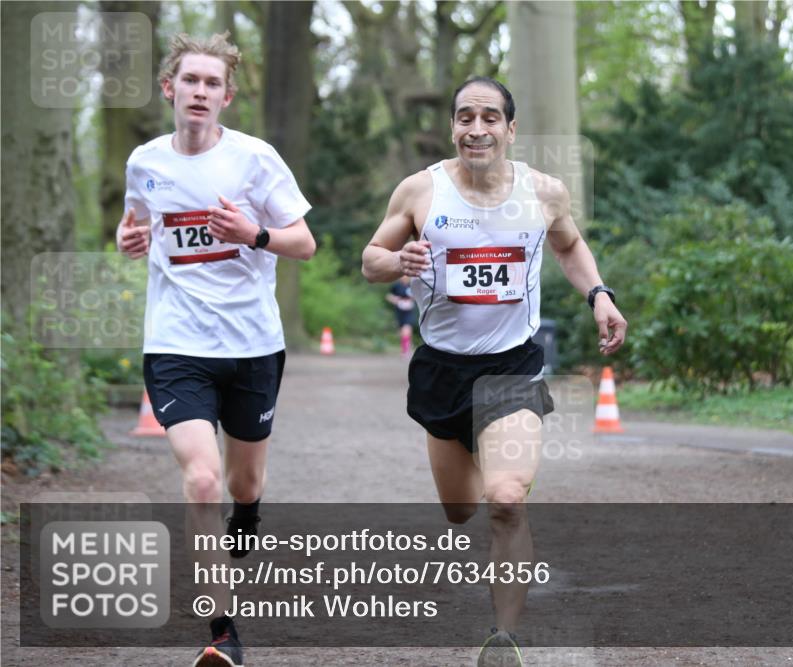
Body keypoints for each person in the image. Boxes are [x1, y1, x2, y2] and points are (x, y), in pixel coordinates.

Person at [361, 76, 626, 667]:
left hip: (512, 368)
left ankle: (503, 640)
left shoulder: (543, 192)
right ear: (453, 126)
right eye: (464, 118)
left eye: (488, 118)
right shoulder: (419, 192)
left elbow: (568, 246)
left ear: (510, 129)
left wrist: (599, 295)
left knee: (506, 498)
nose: (475, 129)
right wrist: (395, 259)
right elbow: (370, 259)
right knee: (460, 510)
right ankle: (476, 457)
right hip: (441, 371)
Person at [116, 32, 315, 667]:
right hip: (175, 342)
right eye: (189, 80)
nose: (200, 92)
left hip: (253, 343)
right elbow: (137, 223)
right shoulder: (145, 161)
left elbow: (304, 243)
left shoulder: (255, 160)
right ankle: (222, 634)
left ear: (225, 96)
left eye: (212, 84)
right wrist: (129, 239)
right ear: (169, 88)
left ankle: (249, 513)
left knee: (243, 480)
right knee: (202, 480)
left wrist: (253, 233)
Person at [386, 276, 417, 354]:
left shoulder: (412, 285)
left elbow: (418, 296)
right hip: (399, 311)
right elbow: (388, 296)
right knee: (402, 331)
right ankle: (405, 348)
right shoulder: (397, 286)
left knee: (407, 329)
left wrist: (411, 300)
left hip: (409, 311)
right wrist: (396, 300)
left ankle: (406, 350)